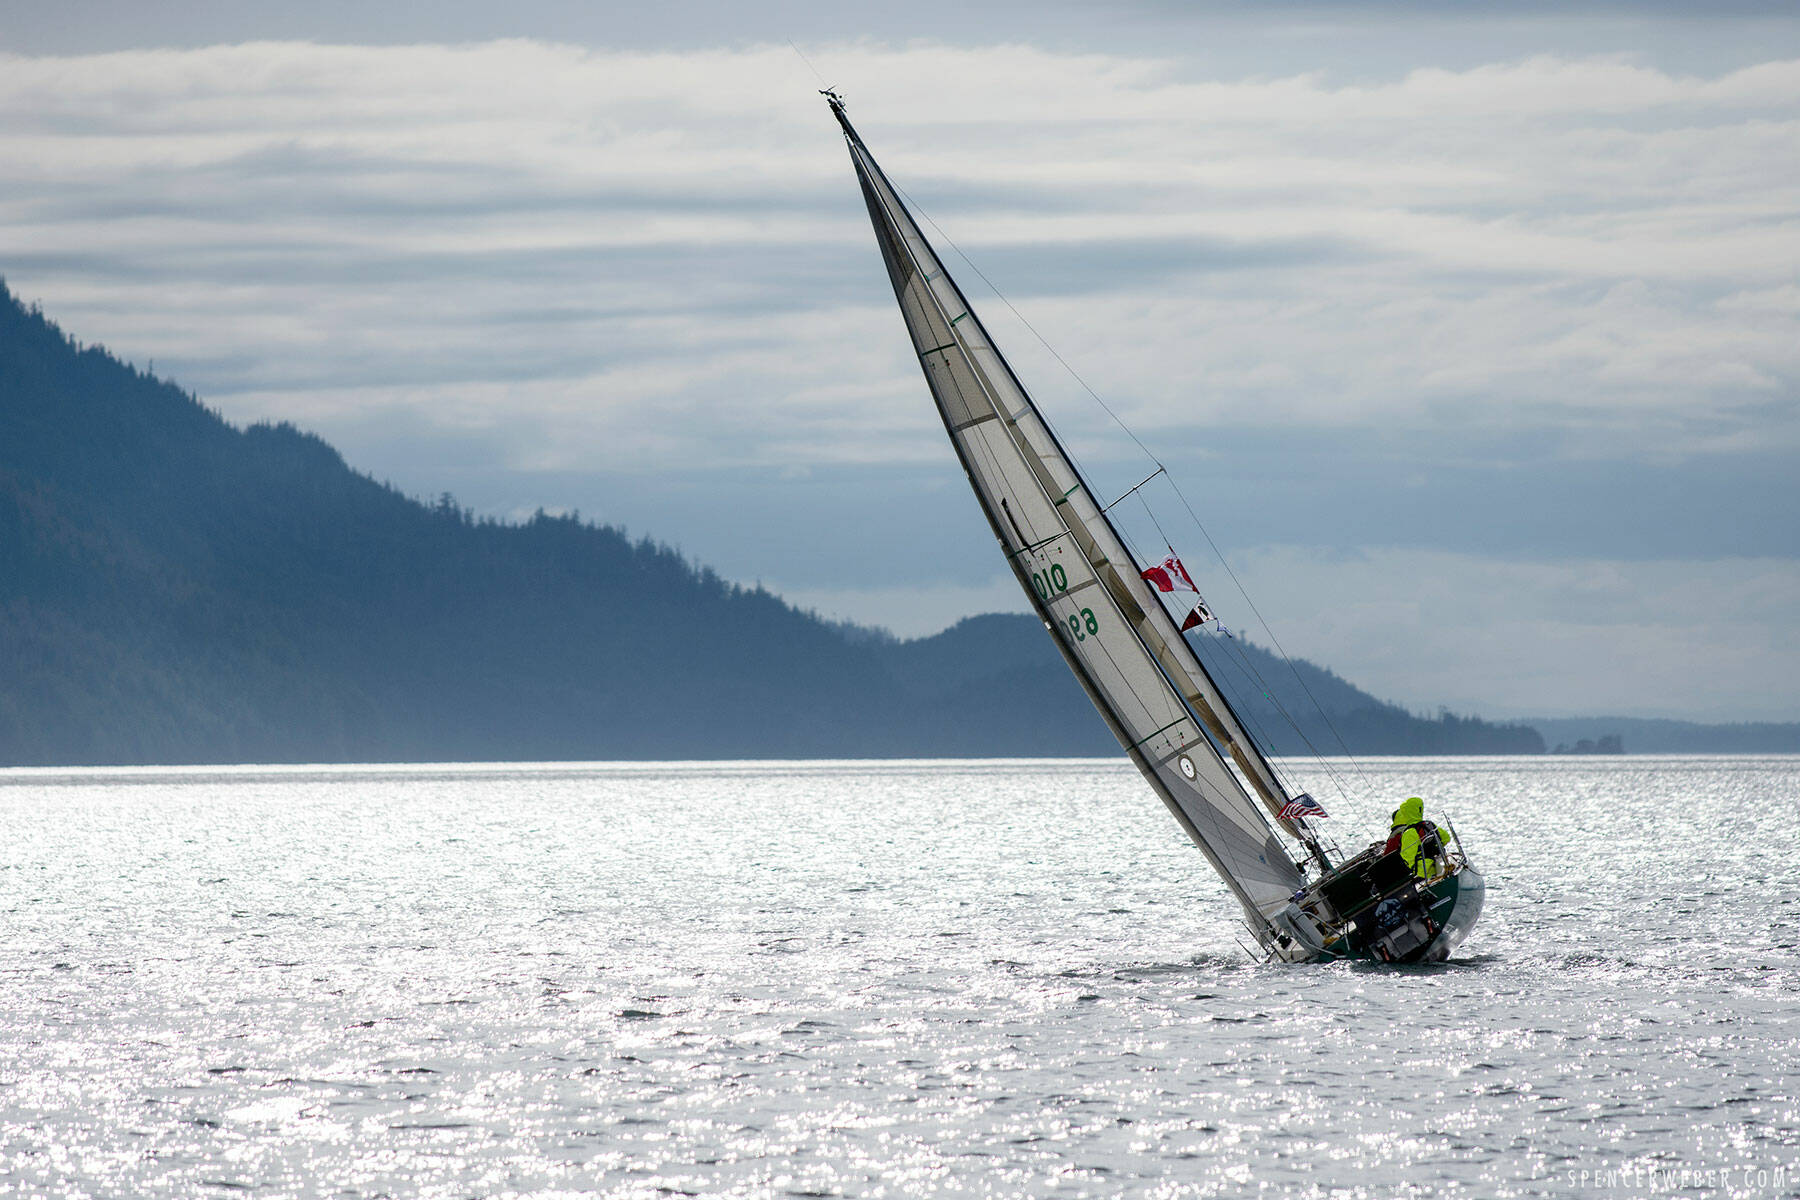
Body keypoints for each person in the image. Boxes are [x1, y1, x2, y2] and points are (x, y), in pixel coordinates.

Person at [1384, 796, 1452, 880]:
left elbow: (1407, 856)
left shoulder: (1409, 832)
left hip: (1424, 871)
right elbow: (1446, 838)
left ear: (1406, 813)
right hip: (1440, 861)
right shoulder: (1429, 824)